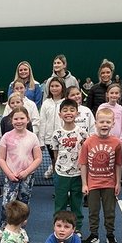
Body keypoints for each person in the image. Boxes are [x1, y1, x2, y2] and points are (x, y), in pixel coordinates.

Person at [80, 105, 122, 243]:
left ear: (113, 124)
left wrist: (118, 183)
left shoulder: (117, 143)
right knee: (93, 211)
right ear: (96, 123)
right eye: (101, 122)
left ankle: (110, 234)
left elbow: (118, 164)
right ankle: (94, 234)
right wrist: (84, 184)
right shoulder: (88, 142)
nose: (104, 124)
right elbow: (84, 164)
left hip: (109, 184)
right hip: (93, 184)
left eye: (108, 122)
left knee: (109, 212)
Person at [0, 106, 42, 222]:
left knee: (23, 205)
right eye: (16, 119)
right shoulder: (6, 137)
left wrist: (26, 172)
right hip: (10, 177)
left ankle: (20, 229)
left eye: (22, 118)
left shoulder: (33, 137)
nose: (19, 121)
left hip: (28, 177)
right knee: (7, 204)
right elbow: (1, 158)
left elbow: (38, 158)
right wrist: (9, 174)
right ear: (11, 120)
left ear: (28, 119)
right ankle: (3, 228)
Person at [50, 98, 87, 232]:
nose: (68, 113)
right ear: (60, 114)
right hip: (61, 174)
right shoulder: (56, 134)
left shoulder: (83, 133)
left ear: (77, 113)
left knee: (76, 204)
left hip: (78, 174)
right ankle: (59, 229)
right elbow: (55, 155)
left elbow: (85, 154)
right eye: (65, 110)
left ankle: (77, 229)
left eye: (72, 110)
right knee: (60, 204)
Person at [39, 76, 69, 178]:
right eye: (52, 86)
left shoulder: (66, 102)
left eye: (57, 86)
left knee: (64, 160)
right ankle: (57, 180)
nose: (54, 88)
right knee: (53, 160)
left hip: (64, 138)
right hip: (49, 139)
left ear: (62, 87)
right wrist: (41, 141)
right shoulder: (46, 103)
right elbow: (42, 122)